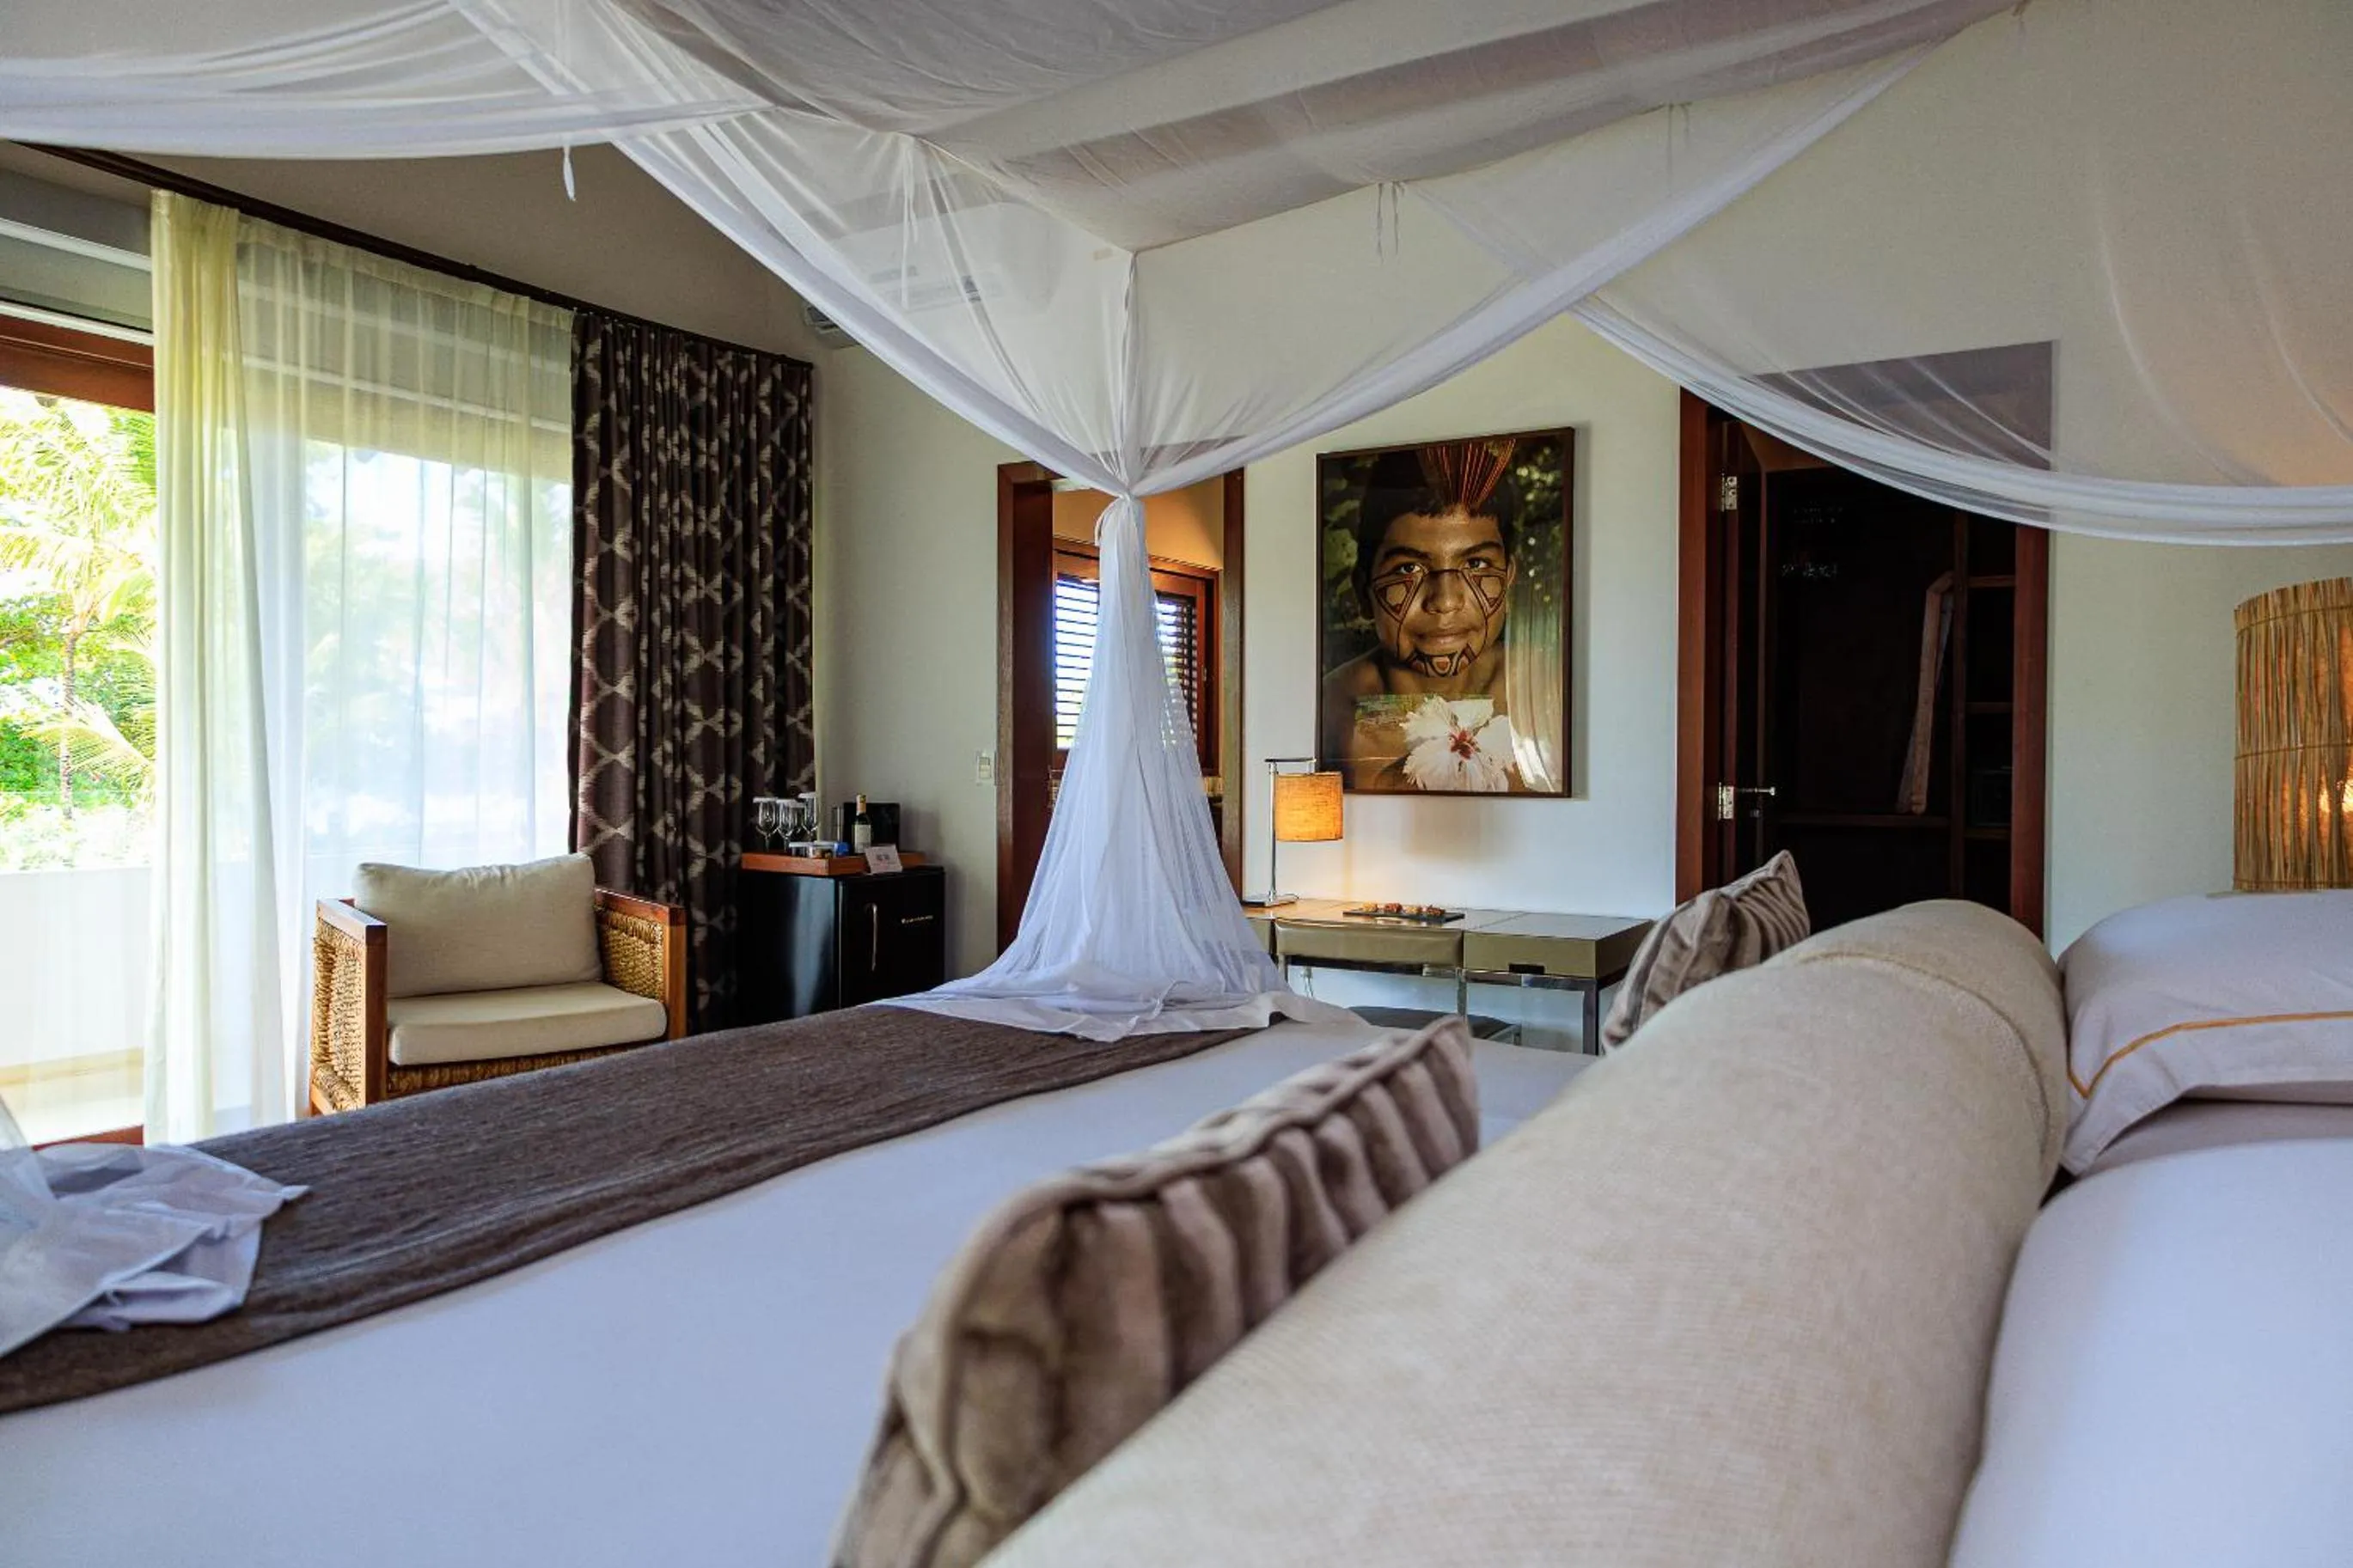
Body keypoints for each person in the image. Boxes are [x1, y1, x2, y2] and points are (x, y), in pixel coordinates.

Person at [1320, 442, 1529, 792]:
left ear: (1508, 579)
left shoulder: (1543, 692)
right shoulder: (1330, 707)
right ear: (1363, 591)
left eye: (1476, 564)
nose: (1445, 601)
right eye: (1409, 568)